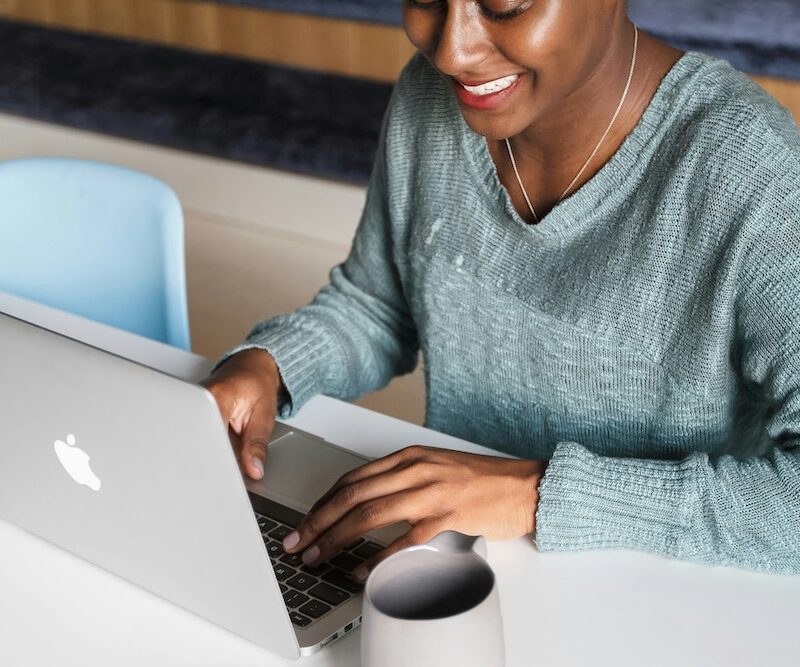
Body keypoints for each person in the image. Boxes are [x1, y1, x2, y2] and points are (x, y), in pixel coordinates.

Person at [203, 0, 800, 581]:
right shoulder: (431, 97)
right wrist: (271, 366)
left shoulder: (752, 171)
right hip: (453, 564)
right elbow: (378, 304)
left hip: (653, 592)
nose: (452, 51)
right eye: (425, 0)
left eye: (505, 6)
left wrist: (536, 496)